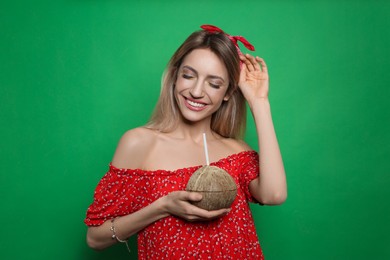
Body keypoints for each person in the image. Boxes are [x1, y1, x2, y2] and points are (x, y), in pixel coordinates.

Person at [84, 24, 287, 259]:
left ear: (228, 92)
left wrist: (259, 102)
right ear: (175, 76)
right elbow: (95, 238)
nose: (197, 91)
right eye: (189, 76)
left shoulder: (236, 151)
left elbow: (274, 195)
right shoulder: (139, 144)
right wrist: (162, 207)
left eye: (214, 83)